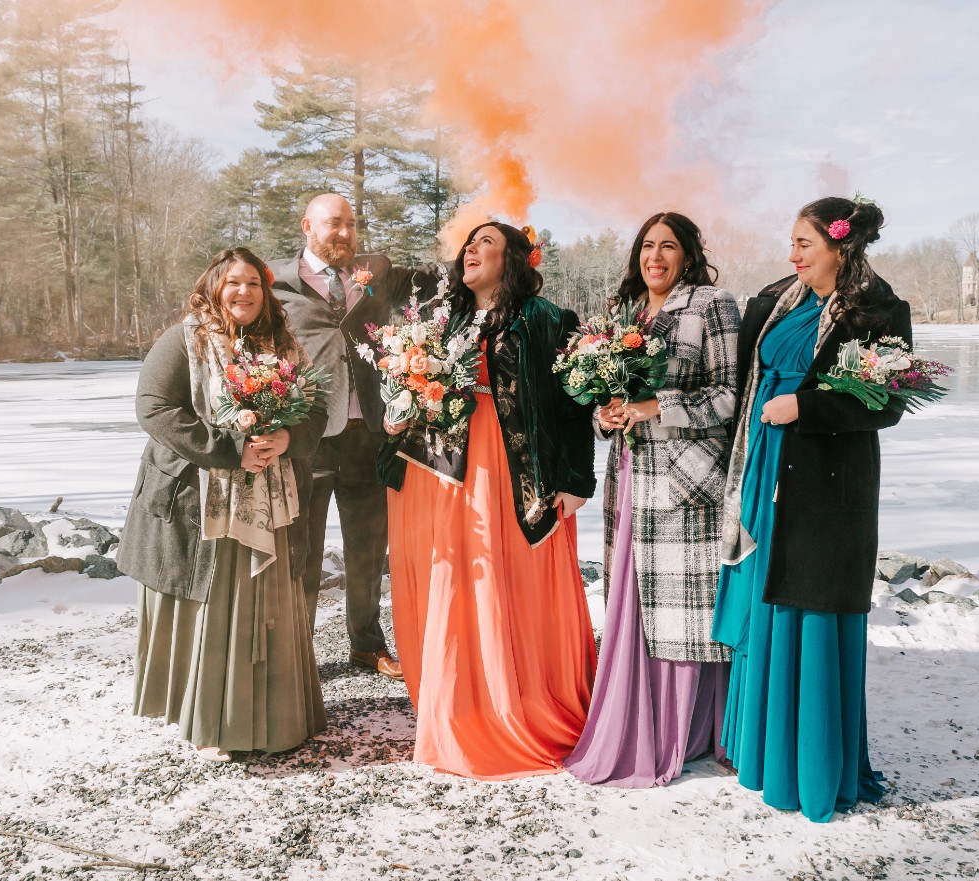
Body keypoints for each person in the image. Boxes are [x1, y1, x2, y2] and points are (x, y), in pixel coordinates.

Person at [711, 196, 912, 821]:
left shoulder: (879, 311)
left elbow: (887, 403)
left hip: (828, 486)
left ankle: (812, 768)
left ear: (839, 246)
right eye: (791, 241)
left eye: (804, 243)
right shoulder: (779, 300)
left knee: (813, 604)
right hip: (763, 465)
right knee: (766, 595)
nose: (791, 253)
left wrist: (807, 408)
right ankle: (763, 755)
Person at [381, 222, 597, 779]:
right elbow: (415, 386)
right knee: (455, 584)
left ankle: (517, 706)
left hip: (512, 469)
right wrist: (399, 413)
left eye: (487, 244)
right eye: (469, 244)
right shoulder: (442, 318)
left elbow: (573, 405)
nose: (471, 250)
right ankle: (457, 707)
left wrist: (575, 480)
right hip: (445, 475)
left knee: (508, 582)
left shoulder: (547, 319)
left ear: (514, 260)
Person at [118, 247, 327, 761]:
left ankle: (280, 718)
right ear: (214, 286)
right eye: (233, 282)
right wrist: (231, 449)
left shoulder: (283, 345)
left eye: (254, 283)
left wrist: (287, 438)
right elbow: (154, 407)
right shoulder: (185, 339)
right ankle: (211, 718)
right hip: (203, 507)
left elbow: (317, 407)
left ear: (266, 290)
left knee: (268, 605)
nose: (244, 292)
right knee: (215, 604)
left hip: (271, 503)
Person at [564, 212, 741, 787]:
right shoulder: (624, 314)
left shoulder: (711, 304)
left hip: (687, 480)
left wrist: (655, 407)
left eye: (668, 247)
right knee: (633, 603)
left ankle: (684, 732)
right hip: (630, 474)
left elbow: (728, 398)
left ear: (689, 253)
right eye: (647, 246)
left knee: (680, 611)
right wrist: (607, 413)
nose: (655, 256)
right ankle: (634, 722)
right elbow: (604, 396)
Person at [268, 193, 435, 680]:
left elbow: (439, 275)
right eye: (333, 223)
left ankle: (366, 644)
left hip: (371, 435)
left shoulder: (377, 271)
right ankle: (299, 650)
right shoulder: (275, 281)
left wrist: (490, 242)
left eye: (351, 224)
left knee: (368, 549)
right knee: (305, 550)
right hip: (309, 437)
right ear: (306, 226)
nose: (344, 233)